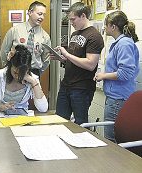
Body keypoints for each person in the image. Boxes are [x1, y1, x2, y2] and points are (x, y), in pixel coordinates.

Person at [50, 2, 104, 125]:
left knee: (80, 124)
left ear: (83, 15)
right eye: (70, 20)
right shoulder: (75, 34)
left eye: (73, 19)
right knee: (59, 121)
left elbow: (90, 64)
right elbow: (75, 60)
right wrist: (62, 59)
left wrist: (67, 55)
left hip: (81, 88)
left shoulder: (94, 36)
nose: (71, 23)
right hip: (66, 85)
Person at [94, 11, 139, 142]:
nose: (104, 27)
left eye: (106, 25)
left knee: (111, 139)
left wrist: (104, 76)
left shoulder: (124, 44)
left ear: (113, 27)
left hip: (118, 98)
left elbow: (125, 73)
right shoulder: (121, 43)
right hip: (116, 97)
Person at [0, 44, 48, 113]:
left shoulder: (32, 79)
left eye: (22, 73)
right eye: (15, 73)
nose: (17, 77)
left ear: (28, 69)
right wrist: (1, 107)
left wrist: (34, 82)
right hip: (1, 117)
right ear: (10, 66)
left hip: (22, 118)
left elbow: (43, 109)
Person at [0, 1, 51, 76]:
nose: (42, 17)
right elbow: (4, 51)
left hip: (33, 72)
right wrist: (8, 68)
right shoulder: (15, 30)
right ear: (30, 12)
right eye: (39, 14)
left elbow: (46, 59)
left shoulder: (45, 36)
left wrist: (38, 73)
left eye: (44, 15)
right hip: (15, 71)